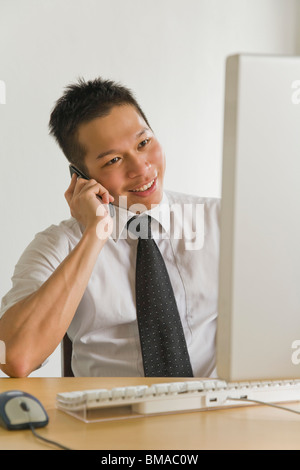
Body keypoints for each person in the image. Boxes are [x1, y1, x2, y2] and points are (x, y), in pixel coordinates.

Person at [0, 77, 220, 378]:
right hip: (110, 419)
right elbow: (14, 356)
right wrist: (94, 235)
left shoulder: (221, 220)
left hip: (216, 413)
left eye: (144, 143)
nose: (141, 168)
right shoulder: (59, 245)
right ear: (81, 176)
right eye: (114, 160)